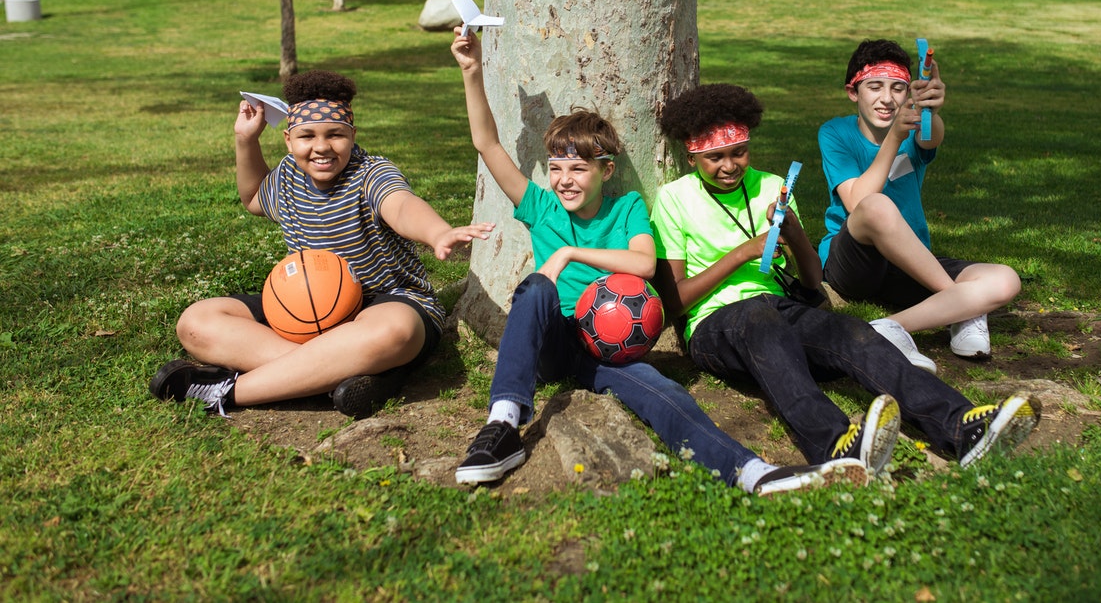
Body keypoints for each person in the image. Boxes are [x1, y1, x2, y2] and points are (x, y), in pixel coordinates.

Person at [448, 27, 890, 495]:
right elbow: (487, 145)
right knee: (537, 287)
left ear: (606, 170)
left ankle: (754, 473)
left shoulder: (629, 209)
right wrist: (472, 70)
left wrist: (569, 252)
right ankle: (502, 425)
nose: (564, 180)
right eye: (556, 169)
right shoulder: (540, 208)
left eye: (578, 168)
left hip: (610, 346)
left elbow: (642, 265)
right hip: (555, 341)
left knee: (668, 395)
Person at [650, 83, 1040, 471]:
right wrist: (744, 253)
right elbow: (675, 301)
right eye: (715, 157)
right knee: (759, 317)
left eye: (739, 153)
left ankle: (961, 428)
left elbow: (811, 281)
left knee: (855, 334)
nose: (730, 166)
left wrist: (794, 233)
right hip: (716, 326)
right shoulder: (674, 199)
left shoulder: (771, 186)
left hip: (781, 309)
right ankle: (836, 446)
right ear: (691, 157)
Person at [149, 70, 494, 418]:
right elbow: (253, 196)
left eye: (335, 134)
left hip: (384, 303)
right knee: (197, 320)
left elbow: (401, 205)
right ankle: (338, 375)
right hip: (305, 309)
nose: (321, 146)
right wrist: (245, 140)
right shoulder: (287, 176)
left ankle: (228, 391)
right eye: (307, 136)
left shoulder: (371, 172)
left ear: (353, 135)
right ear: (288, 139)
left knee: (395, 333)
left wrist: (437, 232)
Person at [818, 39, 1022, 369]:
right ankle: (961, 306)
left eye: (898, 88)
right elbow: (858, 202)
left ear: (909, 93)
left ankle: (888, 329)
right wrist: (894, 139)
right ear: (853, 92)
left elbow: (931, 136)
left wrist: (932, 111)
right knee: (878, 205)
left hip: (910, 258)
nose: (886, 98)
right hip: (854, 263)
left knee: (1005, 279)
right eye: (874, 87)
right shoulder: (835, 133)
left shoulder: (916, 129)